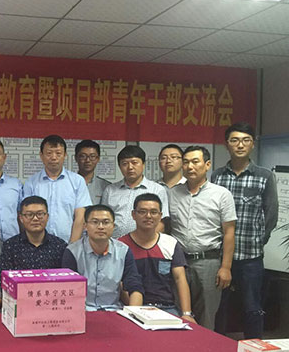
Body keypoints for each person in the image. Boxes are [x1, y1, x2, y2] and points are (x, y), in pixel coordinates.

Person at [212, 122, 279, 339]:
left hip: (250, 256)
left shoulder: (264, 176)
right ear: (226, 145)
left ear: (252, 144)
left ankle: (254, 349)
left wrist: (259, 240)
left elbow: (271, 214)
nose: (240, 145)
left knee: (252, 307)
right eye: (234, 140)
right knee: (219, 307)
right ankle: (217, 346)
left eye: (245, 140)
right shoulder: (217, 177)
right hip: (221, 255)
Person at [168, 146, 237, 331]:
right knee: (177, 312)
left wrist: (226, 267)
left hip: (208, 261)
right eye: (186, 162)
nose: (190, 166)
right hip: (179, 262)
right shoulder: (172, 193)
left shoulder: (221, 194)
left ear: (207, 165)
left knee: (206, 314)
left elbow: (229, 232)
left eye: (195, 161)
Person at [119, 194, 195, 322]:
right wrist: (134, 310)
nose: (148, 216)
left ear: (160, 216)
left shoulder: (170, 243)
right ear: (133, 215)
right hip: (133, 307)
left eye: (153, 212)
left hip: (166, 307)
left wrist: (187, 313)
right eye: (142, 212)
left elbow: (180, 279)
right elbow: (119, 283)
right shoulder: (121, 245)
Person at [62, 205, 144, 311]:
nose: (100, 227)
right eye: (95, 222)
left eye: (106, 222)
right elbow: (67, 289)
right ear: (85, 226)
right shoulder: (72, 252)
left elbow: (134, 285)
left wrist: (133, 313)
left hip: (113, 310)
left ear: (113, 226)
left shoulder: (123, 251)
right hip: (82, 311)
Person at [23, 135, 91, 243]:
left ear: (65, 155)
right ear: (41, 155)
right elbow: (26, 216)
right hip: (38, 245)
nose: (54, 157)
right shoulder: (31, 182)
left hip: (69, 243)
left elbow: (80, 217)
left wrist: (72, 246)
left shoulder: (77, 181)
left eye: (58, 153)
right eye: (49, 153)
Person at [101, 145, 169, 239]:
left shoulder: (157, 190)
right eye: (125, 164)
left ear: (143, 164)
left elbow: (161, 223)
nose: (130, 167)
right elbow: (103, 220)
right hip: (115, 244)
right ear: (119, 166)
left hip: (144, 244)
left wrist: (144, 242)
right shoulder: (110, 190)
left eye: (134, 163)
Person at [0, 196, 68, 271]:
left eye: (40, 214)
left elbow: (67, 275)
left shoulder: (60, 246)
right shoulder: (10, 246)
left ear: (47, 217)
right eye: (29, 214)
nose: (35, 218)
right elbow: (4, 275)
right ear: (21, 218)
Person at [75, 139, 111, 205]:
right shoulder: (68, 183)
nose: (88, 160)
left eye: (92, 156)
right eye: (83, 156)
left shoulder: (107, 186)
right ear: (76, 158)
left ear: (98, 159)